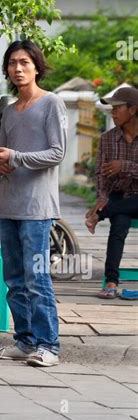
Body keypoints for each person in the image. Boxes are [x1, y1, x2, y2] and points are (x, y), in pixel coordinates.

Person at [0, 40, 68, 367]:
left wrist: (16, 158)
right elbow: (1, 157)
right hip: (8, 205)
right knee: (14, 280)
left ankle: (49, 345)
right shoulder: (9, 111)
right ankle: (25, 341)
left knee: (37, 279)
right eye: (12, 63)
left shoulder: (52, 104)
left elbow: (57, 153)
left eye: (24, 62)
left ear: (36, 66)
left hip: (37, 209)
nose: (18, 69)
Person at [85, 86, 138, 299]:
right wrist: (102, 199)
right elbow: (100, 175)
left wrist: (124, 166)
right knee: (119, 224)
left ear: (133, 110)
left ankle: (101, 215)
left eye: (117, 108)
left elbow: (120, 167)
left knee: (115, 212)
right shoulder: (107, 138)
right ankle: (112, 281)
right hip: (120, 196)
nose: (113, 113)